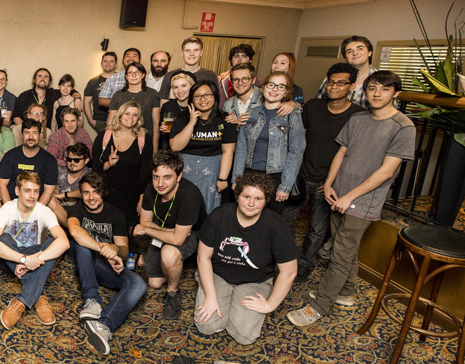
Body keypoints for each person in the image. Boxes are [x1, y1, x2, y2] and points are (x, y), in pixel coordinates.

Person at [287, 71, 415, 327]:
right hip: (338, 194)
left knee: (340, 253)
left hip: (363, 201)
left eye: (384, 89)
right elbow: (341, 153)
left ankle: (319, 306)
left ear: (396, 94)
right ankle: (345, 292)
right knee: (347, 248)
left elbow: (386, 171)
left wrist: (350, 197)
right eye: (372, 88)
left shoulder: (403, 127)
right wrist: (329, 184)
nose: (377, 94)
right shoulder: (357, 118)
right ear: (364, 91)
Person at [195, 173, 297, 345]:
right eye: (246, 197)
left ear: (266, 201)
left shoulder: (275, 225)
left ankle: (233, 304)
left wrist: (269, 305)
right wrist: (211, 296)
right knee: (207, 326)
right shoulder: (219, 216)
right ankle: (215, 293)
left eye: (258, 199)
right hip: (218, 275)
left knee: (244, 336)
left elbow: (289, 271)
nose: (251, 203)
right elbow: (203, 256)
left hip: (255, 280)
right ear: (237, 196)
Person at [283, 63, 364, 280]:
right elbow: (299, 139)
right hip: (300, 176)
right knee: (284, 221)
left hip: (328, 184)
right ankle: (286, 259)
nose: (334, 87)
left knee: (318, 229)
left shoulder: (359, 116)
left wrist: (333, 182)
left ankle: (304, 265)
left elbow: (354, 154)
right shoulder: (312, 106)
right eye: (331, 82)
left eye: (341, 83)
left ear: (352, 86)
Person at [68, 173, 147, 355]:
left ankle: (104, 325)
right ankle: (92, 300)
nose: (91, 197)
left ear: (103, 193)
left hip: (105, 265)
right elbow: (75, 231)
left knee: (138, 284)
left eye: (95, 192)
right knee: (82, 243)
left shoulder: (115, 214)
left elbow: (124, 251)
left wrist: (115, 250)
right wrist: (104, 249)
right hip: (84, 259)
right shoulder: (77, 209)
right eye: (86, 193)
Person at [0, 172, 70, 329]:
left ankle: (22, 301)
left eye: (36, 191)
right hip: (10, 258)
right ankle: (38, 295)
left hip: (33, 255)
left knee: (53, 243)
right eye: (27, 190)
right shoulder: (6, 209)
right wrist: (24, 260)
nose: (32, 196)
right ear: (18, 191)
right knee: (3, 238)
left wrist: (32, 260)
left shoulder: (44, 211)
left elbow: (64, 243)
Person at [134, 150, 207, 320]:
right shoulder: (151, 189)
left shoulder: (190, 195)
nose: (160, 183)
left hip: (195, 233)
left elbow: (178, 239)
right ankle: (176, 262)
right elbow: (145, 223)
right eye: (156, 177)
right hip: (170, 231)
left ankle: (173, 293)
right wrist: (169, 232)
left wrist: (150, 230)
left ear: (178, 176)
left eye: (167, 177)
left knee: (169, 252)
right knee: (155, 282)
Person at [231, 72, 306, 215]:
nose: (274, 89)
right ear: (264, 87)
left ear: (286, 91)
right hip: (250, 174)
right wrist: (236, 179)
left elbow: (296, 152)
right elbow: (241, 148)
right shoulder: (251, 113)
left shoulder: (292, 116)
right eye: (271, 85)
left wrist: (285, 186)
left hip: (276, 176)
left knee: (270, 219)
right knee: (245, 216)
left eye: (280, 86)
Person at [169, 80, 238, 213]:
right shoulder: (183, 118)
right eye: (197, 96)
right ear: (192, 99)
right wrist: (191, 123)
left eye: (207, 95)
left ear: (215, 97)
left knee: (208, 207)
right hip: (185, 169)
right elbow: (175, 147)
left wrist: (222, 179)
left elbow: (228, 151)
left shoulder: (226, 120)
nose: (203, 99)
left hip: (212, 172)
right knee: (183, 205)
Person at [91, 101, 153, 231]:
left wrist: (143, 199)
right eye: (127, 113)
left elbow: (144, 173)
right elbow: (95, 168)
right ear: (119, 115)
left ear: (139, 118)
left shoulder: (144, 138)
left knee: (126, 234)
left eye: (135, 115)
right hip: (106, 195)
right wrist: (108, 164)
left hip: (131, 197)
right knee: (105, 232)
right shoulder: (104, 136)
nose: (131, 117)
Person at [0, 118, 59, 205]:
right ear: (22, 134)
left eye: (34, 133)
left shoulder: (49, 160)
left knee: (53, 202)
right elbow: (2, 185)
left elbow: (48, 191)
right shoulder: (10, 156)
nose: (31, 137)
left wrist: (35, 213)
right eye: (27, 133)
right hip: (12, 202)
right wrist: (10, 210)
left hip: (37, 203)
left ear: (39, 135)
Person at [108, 62, 161, 150]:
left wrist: (155, 146)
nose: (133, 75)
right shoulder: (118, 95)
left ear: (143, 75)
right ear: (126, 76)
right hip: (121, 140)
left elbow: (156, 123)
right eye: (130, 73)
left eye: (137, 72)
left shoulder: (152, 94)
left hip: (146, 139)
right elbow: (110, 122)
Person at [316, 36, 377, 108]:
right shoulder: (331, 79)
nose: (355, 53)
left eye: (360, 49)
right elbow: (318, 105)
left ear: (369, 52)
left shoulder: (382, 79)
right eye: (349, 51)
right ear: (345, 57)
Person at [159, 37, 219, 102]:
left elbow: (216, 101)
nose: (191, 54)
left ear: (201, 52)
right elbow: (163, 105)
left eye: (196, 50)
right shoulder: (170, 76)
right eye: (187, 51)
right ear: (182, 53)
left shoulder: (210, 75)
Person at [52, 143, 92, 225]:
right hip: (56, 212)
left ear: (86, 160)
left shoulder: (90, 174)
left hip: (77, 215)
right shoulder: (58, 170)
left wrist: (64, 195)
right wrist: (52, 189)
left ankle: (72, 227)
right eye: (69, 159)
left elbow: (90, 192)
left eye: (76, 160)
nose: (72, 163)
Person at [159, 71, 195, 150]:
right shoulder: (167, 106)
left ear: (192, 86)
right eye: (175, 87)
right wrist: (162, 130)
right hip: (171, 151)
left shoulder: (197, 107)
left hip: (191, 150)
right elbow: (164, 133)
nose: (179, 90)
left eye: (184, 86)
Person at [84, 52, 117, 132]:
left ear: (115, 64)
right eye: (105, 61)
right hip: (100, 121)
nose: (108, 64)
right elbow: (86, 102)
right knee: (103, 144)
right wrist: (91, 120)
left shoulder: (121, 80)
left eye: (111, 61)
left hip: (118, 120)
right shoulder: (93, 81)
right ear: (101, 64)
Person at [221, 63, 260, 128]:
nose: (240, 83)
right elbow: (224, 130)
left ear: (253, 80)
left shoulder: (265, 98)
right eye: (236, 79)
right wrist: (235, 125)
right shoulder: (228, 105)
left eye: (245, 79)